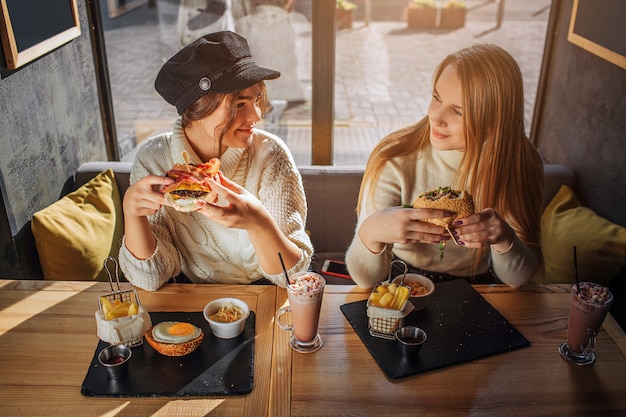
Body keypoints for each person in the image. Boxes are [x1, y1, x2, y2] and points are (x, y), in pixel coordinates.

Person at [119, 31, 313, 291]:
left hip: (264, 292)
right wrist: (132, 214)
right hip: (191, 296)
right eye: (239, 104)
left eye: (256, 100)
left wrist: (259, 222)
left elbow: (292, 278)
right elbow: (151, 279)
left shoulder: (270, 154)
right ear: (199, 106)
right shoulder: (154, 159)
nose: (256, 114)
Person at [345, 44, 544, 289]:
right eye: (436, 97)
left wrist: (503, 238)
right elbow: (365, 280)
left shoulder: (519, 161)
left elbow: (518, 278)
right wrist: (371, 233)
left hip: (477, 287)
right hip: (400, 280)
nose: (435, 118)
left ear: (495, 122)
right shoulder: (395, 158)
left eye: (458, 111)